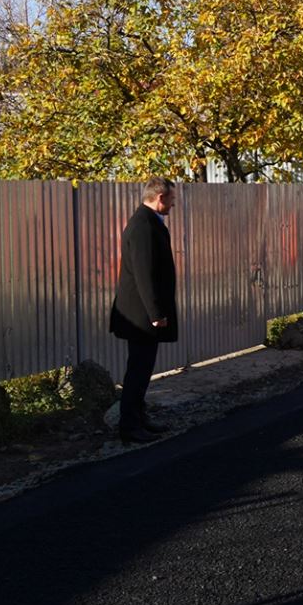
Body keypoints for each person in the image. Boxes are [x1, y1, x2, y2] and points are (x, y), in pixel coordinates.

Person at [110, 177, 178, 444]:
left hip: (143, 314)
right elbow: (144, 275)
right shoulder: (142, 226)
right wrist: (155, 314)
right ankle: (129, 426)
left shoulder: (149, 222)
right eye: (171, 199)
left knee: (142, 368)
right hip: (140, 316)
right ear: (160, 197)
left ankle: (139, 418)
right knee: (138, 370)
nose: (173, 204)